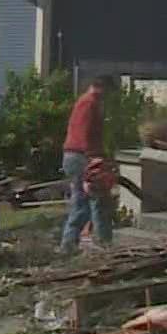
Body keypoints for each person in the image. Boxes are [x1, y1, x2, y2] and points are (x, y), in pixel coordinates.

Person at [60, 76, 115, 253]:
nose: (107, 96)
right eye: (107, 91)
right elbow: (82, 133)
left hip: (75, 156)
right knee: (98, 201)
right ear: (101, 87)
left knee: (81, 204)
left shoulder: (85, 102)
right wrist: (94, 159)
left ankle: (68, 245)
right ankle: (104, 244)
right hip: (81, 157)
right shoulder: (88, 103)